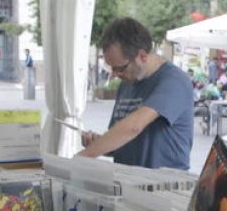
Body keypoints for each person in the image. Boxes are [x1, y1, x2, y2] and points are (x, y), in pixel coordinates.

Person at [79, 17, 194, 170]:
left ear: (142, 56)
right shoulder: (127, 83)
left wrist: (85, 155)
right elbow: (123, 138)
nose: (114, 74)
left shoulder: (174, 82)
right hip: (127, 183)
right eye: (111, 68)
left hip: (162, 186)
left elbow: (134, 127)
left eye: (119, 68)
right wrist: (101, 143)